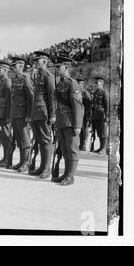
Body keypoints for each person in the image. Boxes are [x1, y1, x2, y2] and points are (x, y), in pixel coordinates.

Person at [53, 56, 84, 186]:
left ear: (66, 68)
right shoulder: (60, 83)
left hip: (70, 123)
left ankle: (70, 177)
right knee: (64, 149)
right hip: (61, 122)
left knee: (72, 149)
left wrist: (77, 125)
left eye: (59, 67)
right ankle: (66, 174)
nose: (56, 69)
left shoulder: (73, 84)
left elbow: (78, 106)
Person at [28, 51, 56, 178]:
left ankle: (47, 169)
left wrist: (52, 115)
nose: (35, 63)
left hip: (44, 112)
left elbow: (51, 97)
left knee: (45, 140)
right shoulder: (37, 75)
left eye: (37, 61)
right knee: (39, 140)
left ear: (44, 62)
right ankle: (41, 167)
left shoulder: (48, 76)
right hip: (36, 112)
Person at [8, 57, 34, 172]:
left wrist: (29, 115)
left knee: (25, 139)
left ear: (21, 66)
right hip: (16, 113)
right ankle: (22, 161)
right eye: (14, 66)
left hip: (23, 114)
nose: (15, 68)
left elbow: (31, 97)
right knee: (19, 139)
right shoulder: (14, 79)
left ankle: (27, 162)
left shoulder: (25, 78)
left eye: (17, 66)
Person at [91, 76, 109, 155]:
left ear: (102, 83)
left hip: (103, 115)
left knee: (104, 132)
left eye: (97, 83)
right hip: (96, 115)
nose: (96, 85)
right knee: (99, 132)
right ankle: (101, 147)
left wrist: (107, 116)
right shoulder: (95, 93)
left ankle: (104, 148)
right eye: (95, 83)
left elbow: (107, 105)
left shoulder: (104, 93)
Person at [77, 77, 92, 151]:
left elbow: (89, 106)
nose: (78, 85)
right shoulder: (76, 92)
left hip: (84, 115)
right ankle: (79, 144)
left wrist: (88, 116)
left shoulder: (85, 93)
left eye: (79, 83)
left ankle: (83, 145)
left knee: (84, 130)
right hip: (78, 114)